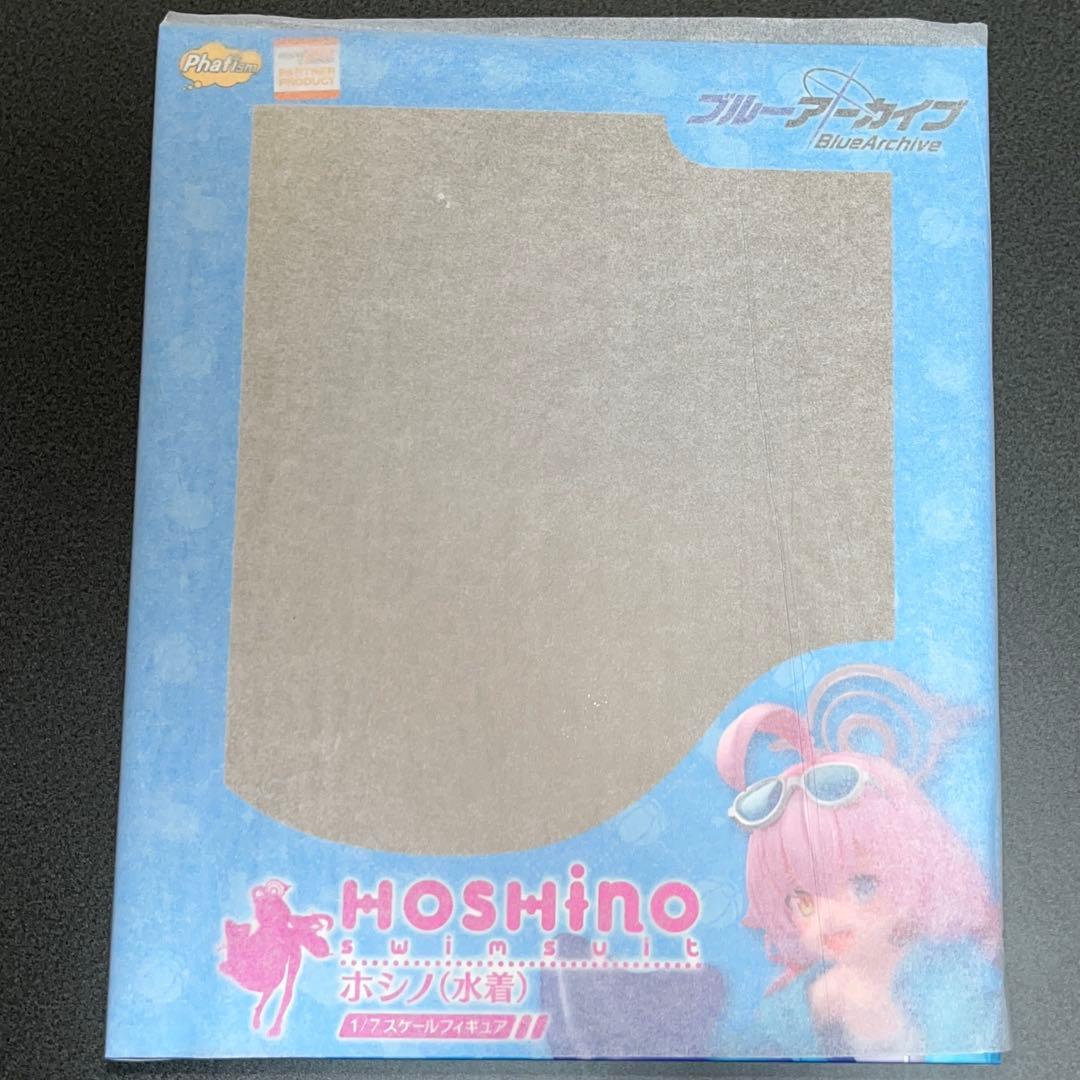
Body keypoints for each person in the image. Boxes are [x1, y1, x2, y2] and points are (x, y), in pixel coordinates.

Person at [716, 665, 1005, 1060]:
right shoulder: (799, 1005)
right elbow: (738, 1054)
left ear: (914, 869)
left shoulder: (949, 978)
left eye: (863, 886)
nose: (829, 918)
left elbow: (971, 1045)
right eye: (803, 902)